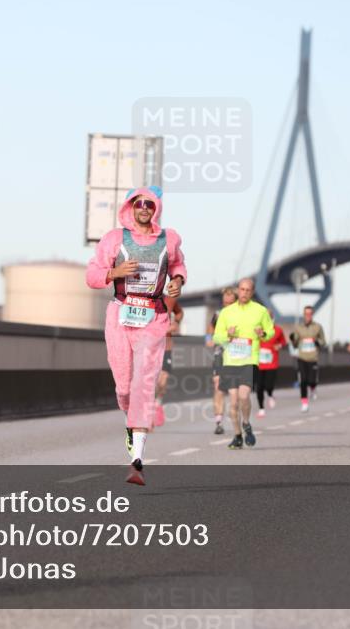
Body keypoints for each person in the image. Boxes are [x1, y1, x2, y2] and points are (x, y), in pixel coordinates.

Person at [86, 185, 187, 485]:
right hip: (120, 315)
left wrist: (178, 280)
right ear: (130, 206)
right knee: (124, 387)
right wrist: (114, 273)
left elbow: (178, 264)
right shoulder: (114, 239)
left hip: (154, 316)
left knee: (144, 382)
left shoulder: (169, 239)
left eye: (150, 204)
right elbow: (91, 275)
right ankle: (132, 424)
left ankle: (137, 461)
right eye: (138, 203)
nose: (144, 208)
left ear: (156, 209)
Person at [212, 278, 273, 450]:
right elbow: (217, 336)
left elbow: (270, 332)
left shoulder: (260, 311)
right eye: (242, 289)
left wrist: (263, 333)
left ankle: (246, 423)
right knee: (233, 402)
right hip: (230, 361)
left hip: (249, 360)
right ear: (238, 290)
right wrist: (228, 336)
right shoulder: (226, 312)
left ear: (252, 292)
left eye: (248, 290)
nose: (244, 293)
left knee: (244, 396)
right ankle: (237, 435)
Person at [206, 287, 237, 435]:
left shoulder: (242, 316)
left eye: (230, 303)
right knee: (218, 386)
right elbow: (210, 330)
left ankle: (236, 415)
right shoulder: (218, 314)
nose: (227, 305)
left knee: (234, 390)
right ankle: (218, 421)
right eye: (225, 302)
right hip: (220, 353)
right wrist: (208, 340)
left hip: (238, 354)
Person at [290, 305, 326, 412]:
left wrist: (317, 342)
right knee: (303, 381)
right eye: (306, 314)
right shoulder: (298, 327)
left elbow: (323, 342)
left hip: (313, 358)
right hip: (302, 357)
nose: (308, 316)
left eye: (310, 314)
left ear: (312, 315)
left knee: (312, 381)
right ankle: (304, 403)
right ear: (304, 315)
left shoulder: (318, 327)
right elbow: (295, 344)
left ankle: (313, 388)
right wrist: (293, 339)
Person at [155, 296, 184, 414]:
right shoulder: (144, 298)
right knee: (152, 382)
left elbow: (179, 313)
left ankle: (158, 402)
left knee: (163, 380)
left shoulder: (170, 300)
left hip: (166, 347)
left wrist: (176, 323)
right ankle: (149, 405)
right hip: (148, 347)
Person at [255, 317, 286, 418]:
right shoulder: (257, 329)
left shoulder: (278, 330)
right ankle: (261, 408)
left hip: (272, 362)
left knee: (268, 385)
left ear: (272, 319)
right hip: (259, 363)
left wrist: (279, 346)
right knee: (259, 387)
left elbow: (283, 342)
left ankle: (270, 395)